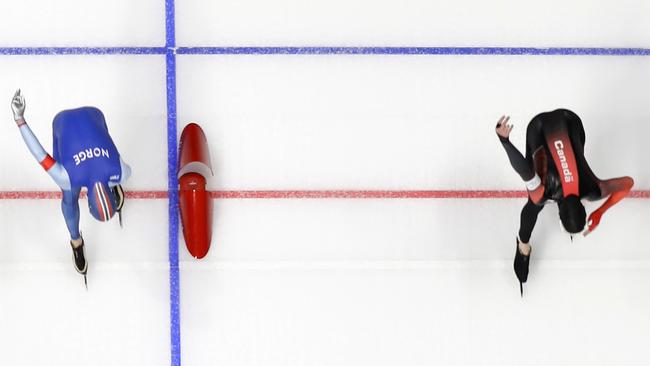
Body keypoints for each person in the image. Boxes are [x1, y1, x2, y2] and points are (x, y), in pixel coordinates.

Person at [496, 109, 633, 293]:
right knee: (534, 205)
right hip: (539, 126)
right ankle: (523, 245)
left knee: (569, 161)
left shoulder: (594, 189)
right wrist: (504, 141)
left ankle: (523, 243)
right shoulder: (542, 192)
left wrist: (600, 211)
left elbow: (628, 183)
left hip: (571, 119)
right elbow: (523, 169)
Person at [10, 90, 131, 284]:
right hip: (72, 122)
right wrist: (19, 119)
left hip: (88, 117)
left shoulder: (122, 172)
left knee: (97, 175)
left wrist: (20, 118)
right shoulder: (66, 177)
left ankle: (78, 239)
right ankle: (76, 241)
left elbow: (39, 153)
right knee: (69, 196)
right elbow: (38, 153)